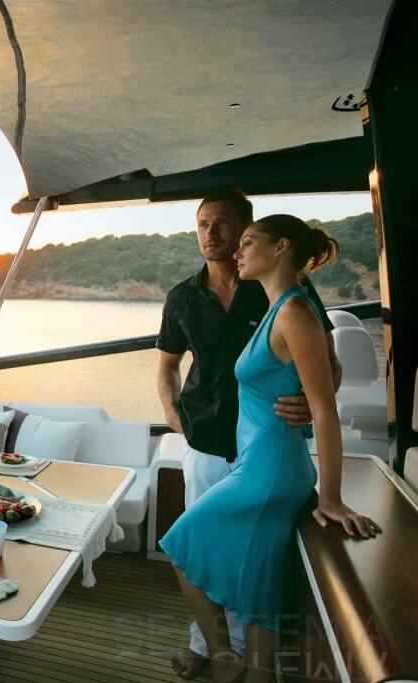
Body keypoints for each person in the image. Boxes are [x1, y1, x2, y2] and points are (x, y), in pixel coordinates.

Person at [160, 215, 381, 683]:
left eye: (247, 242)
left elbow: (324, 410)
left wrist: (331, 498)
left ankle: (224, 656)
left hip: (268, 473)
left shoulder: (295, 312)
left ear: (280, 247)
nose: (237, 252)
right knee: (260, 594)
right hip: (266, 465)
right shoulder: (279, 306)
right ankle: (255, 672)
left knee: (180, 546)